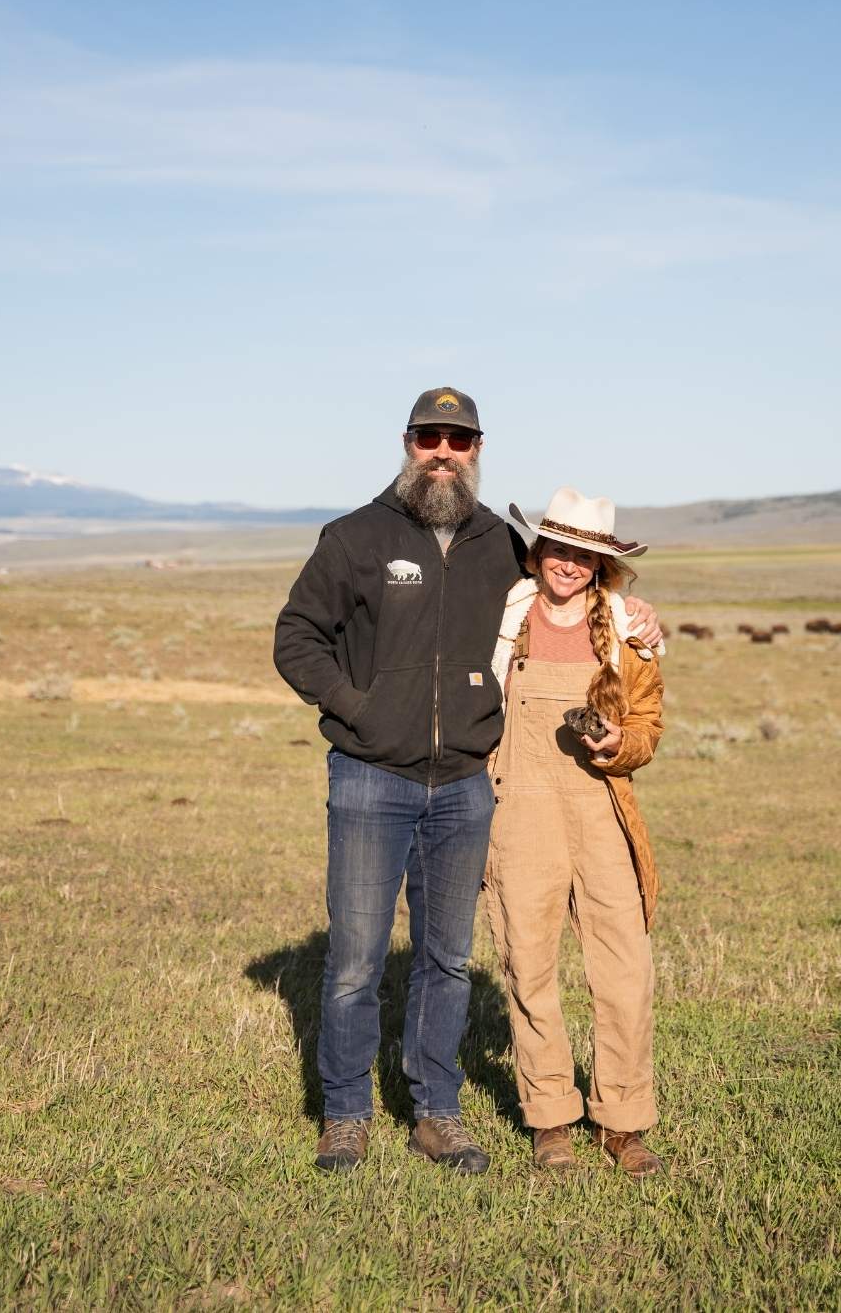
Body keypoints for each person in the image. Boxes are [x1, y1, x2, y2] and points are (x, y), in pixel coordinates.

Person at [274, 389, 662, 1174]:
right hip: (373, 779)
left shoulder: (498, 548)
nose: (443, 451)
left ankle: (438, 1113)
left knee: (450, 959)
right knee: (356, 959)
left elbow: (586, 607)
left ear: (479, 448)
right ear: (408, 442)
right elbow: (297, 637)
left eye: (459, 438)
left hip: (463, 789)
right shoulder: (354, 537)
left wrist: (636, 615)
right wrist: (360, 709)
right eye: (430, 437)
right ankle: (347, 1114)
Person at [483, 486, 666, 1177]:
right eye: (558, 548)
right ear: (538, 550)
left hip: (602, 808)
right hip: (518, 808)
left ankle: (623, 1123)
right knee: (528, 965)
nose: (568, 563)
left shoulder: (630, 630)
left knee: (626, 971)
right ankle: (550, 1119)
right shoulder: (501, 616)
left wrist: (619, 742)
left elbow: (649, 731)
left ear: (601, 565)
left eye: (583, 555)